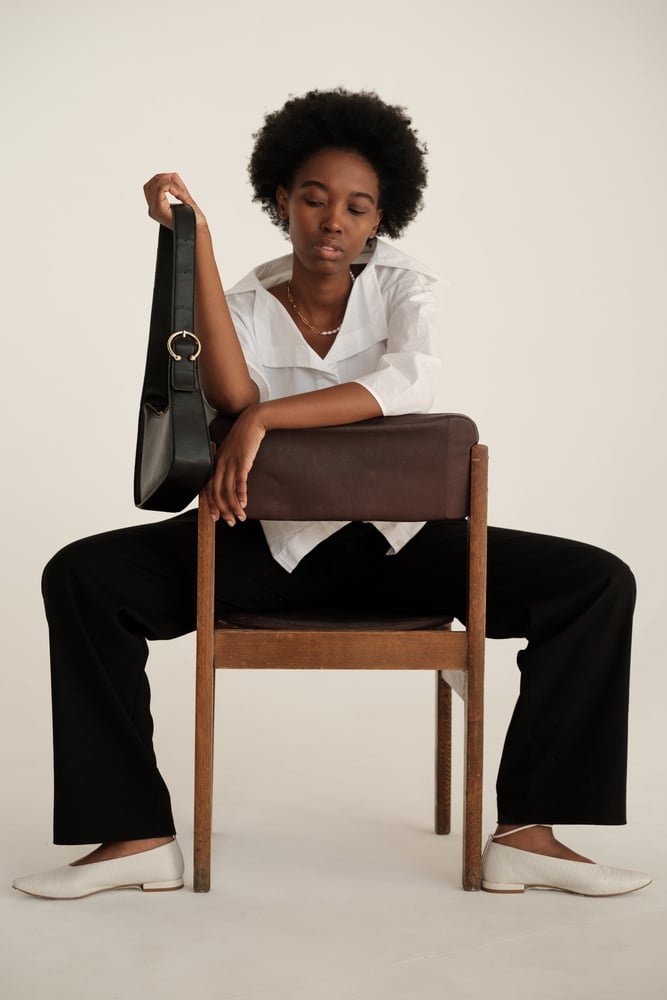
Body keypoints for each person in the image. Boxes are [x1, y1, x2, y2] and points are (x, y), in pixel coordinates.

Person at [13, 89, 650, 899]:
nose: (332, 221)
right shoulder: (241, 303)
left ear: (379, 218)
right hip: (264, 547)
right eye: (313, 198)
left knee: (596, 581)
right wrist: (195, 242)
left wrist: (269, 420)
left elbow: (409, 381)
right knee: (82, 575)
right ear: (281, 199)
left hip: (406, 546)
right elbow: (229, 387)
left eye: (356, 207)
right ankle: (136, 834)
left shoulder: (402, 286)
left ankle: (528, 835)